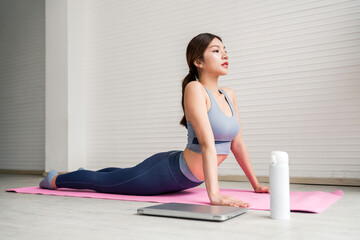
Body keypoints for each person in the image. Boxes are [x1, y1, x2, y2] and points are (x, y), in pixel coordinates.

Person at [40, 33, 269, 207]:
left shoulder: (229, 95)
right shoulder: (194, 89)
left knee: (122, 174)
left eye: (225, 50)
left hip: (186, 178)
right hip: (167, 173)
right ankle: (53, 179)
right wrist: (215, 195)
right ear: (198, 62)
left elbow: (237, 144)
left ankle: (90, 172)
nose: (225, 55)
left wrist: (256, 184)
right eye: (216, 51)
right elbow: (208, 144)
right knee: (103, 184)